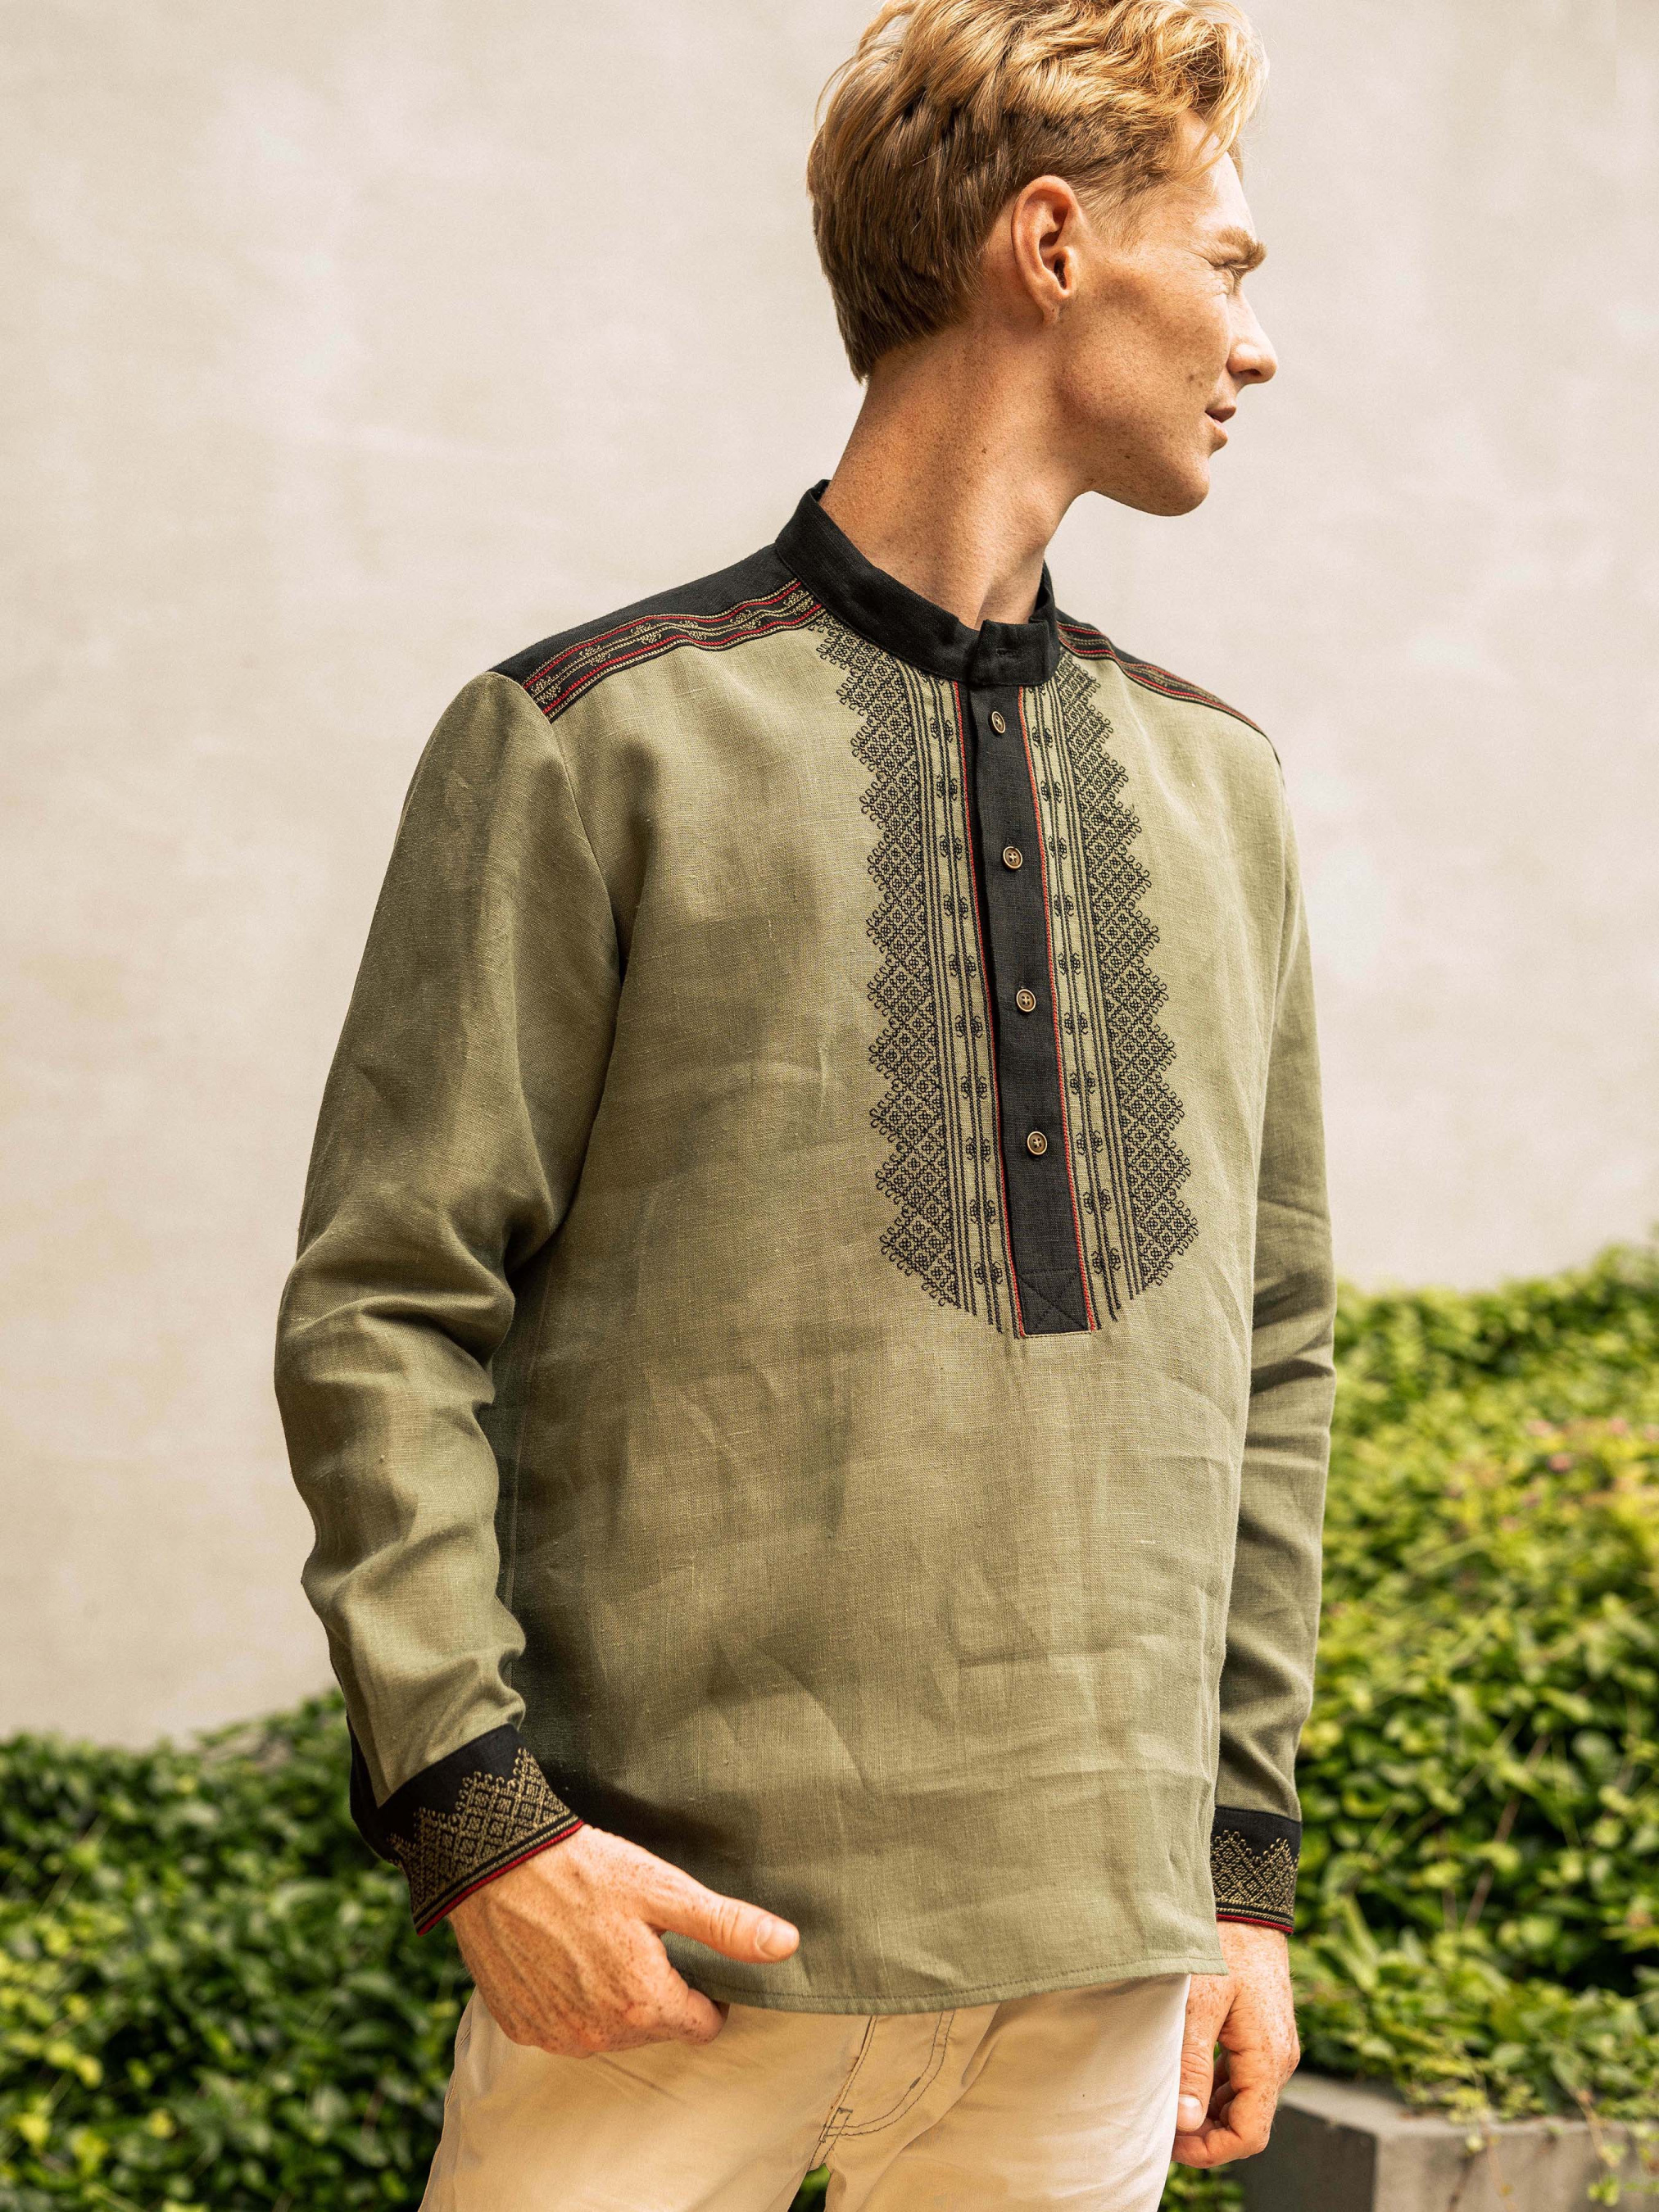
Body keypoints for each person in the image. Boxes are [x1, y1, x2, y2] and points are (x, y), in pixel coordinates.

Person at [274, 1, 1335, 2204]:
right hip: (663, 1958)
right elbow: (385, 1302)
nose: (1257, 342)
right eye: (1227, 265)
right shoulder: (595, 740)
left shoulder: (1220, 788)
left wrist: (1237, 1872)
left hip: (1095, 1976)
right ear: (1052, 244)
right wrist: (483, 1826)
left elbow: (1269, 1351)